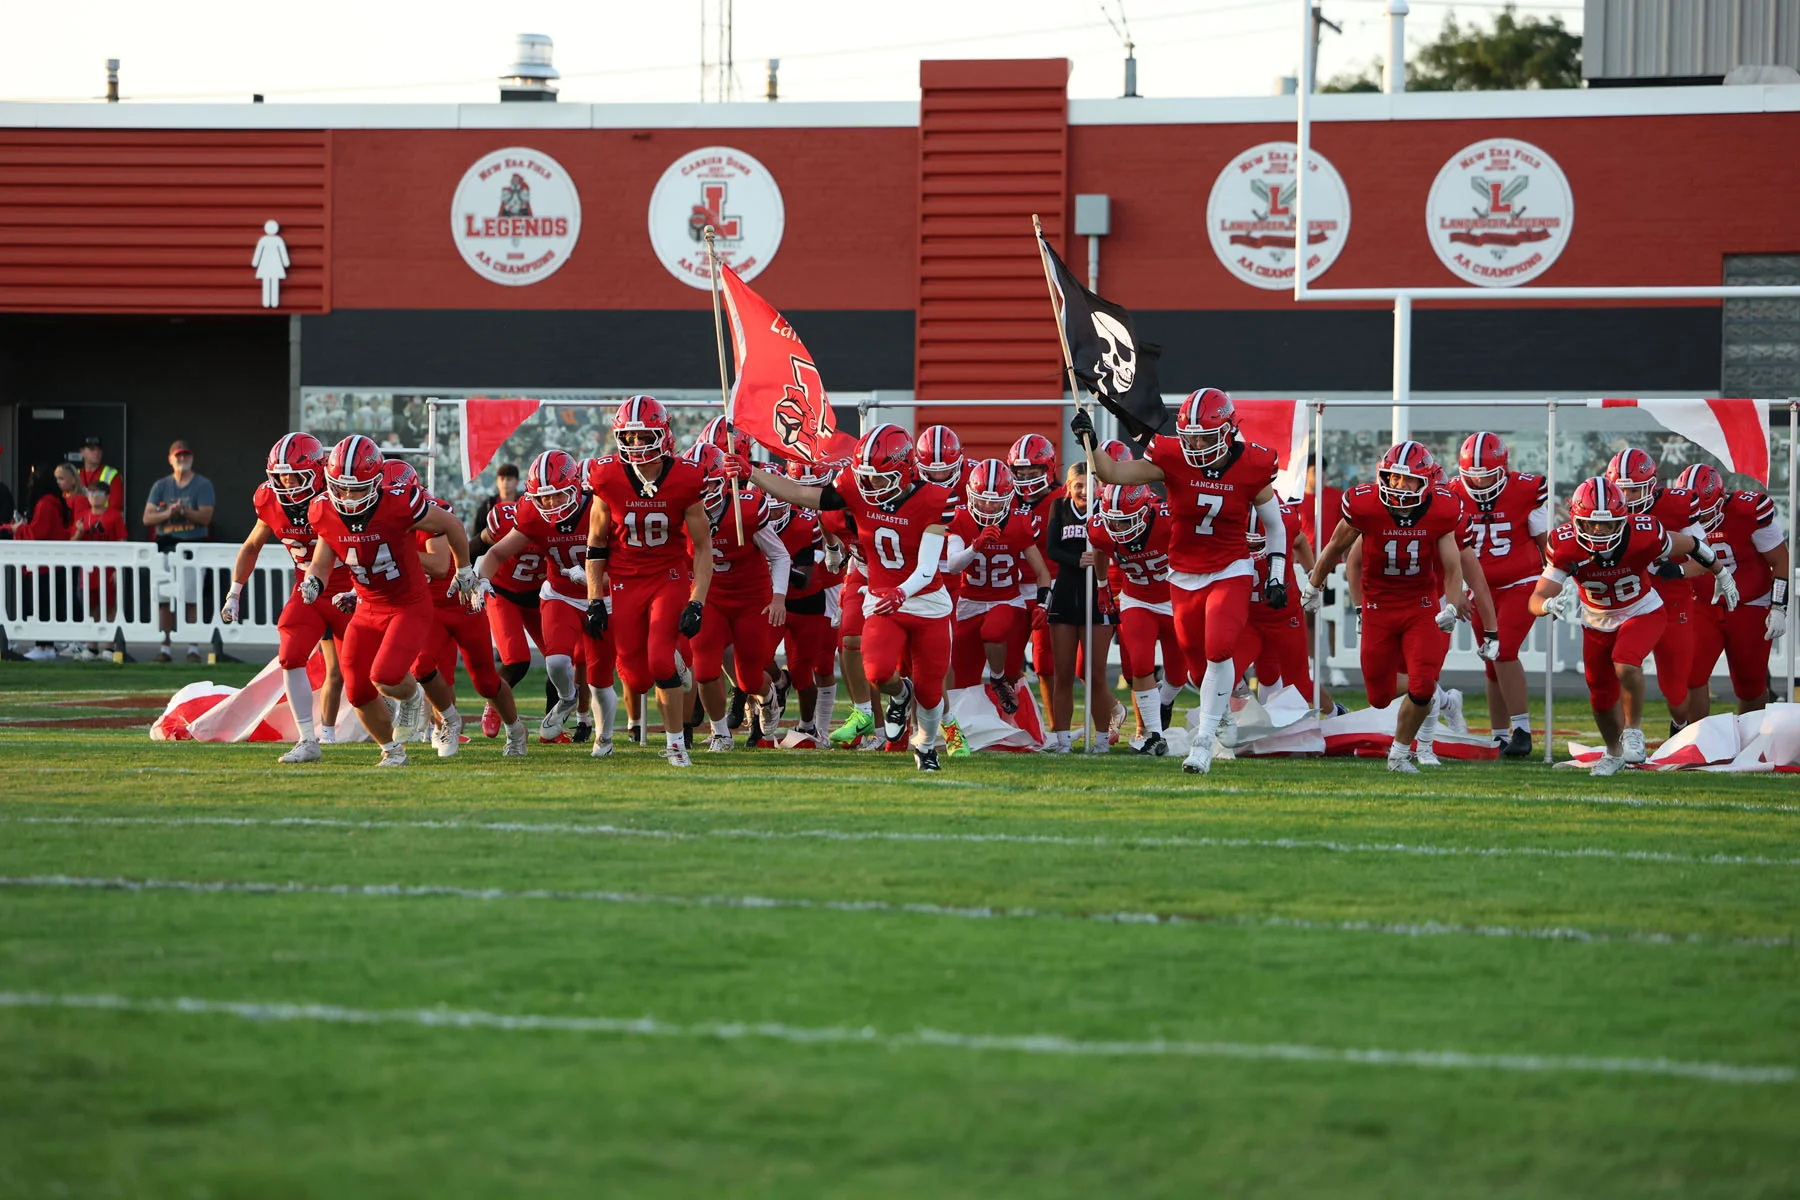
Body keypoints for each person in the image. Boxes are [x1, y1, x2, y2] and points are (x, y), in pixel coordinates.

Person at [1076, 388, 1288, 775]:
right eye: (1189, 437)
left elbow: (1274, 525)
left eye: (1205, 437)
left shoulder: (1253, 463)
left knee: (1220, 648)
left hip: (1230, 568)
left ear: (1227, 431)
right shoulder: (1172, 455)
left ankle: (1204, 741)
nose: (1196, 445)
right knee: (1194, 669)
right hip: (1183, 576)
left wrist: (1275, 573)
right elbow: (1112, 473)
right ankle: (1219, 716)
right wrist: (1090, 442)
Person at [728, 423, 957, 771]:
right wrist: (753, 473)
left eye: (876, 477)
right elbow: (806, 497)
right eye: (862, 476)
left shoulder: (933, 499)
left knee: (930, 689)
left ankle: (930, 744)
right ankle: (886, 703)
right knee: (876, 668)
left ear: (904, 471)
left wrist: (901, 591)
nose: (867, 485)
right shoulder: (853, 488)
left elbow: (927, 568)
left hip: (925, 599)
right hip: (878, 593)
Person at [1532, 476, 1738, 776]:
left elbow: (1693, 544)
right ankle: (1614, 753)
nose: (1600, 530)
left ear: (1624, 519)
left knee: (1626, 662)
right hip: (1596, 620)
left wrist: (1721, 573)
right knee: (1600, 697)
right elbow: (1537, 596)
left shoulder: (1644, 533)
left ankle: (1633, 730)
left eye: (1609, 524)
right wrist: (1546, 605)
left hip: (1642, 610)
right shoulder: (1563, 545)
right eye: (1592, 524)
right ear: (1577, 520)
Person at [1303, 441, 1485, 774]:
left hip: (1420, 605)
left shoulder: (1441, 509)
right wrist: (1314, 584)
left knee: (1422, 684)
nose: (1398, 486)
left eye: (1407, 479)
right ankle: (1435, 708)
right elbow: (1335, 548)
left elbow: (1452, 564)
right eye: (1392, 477)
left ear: (1426, 481)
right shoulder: (1366, 505)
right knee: (1379, 695)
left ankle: (1400, 754)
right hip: (1378, 607)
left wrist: (1450, 603)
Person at [303, 434, 483, 767]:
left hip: (407, 605)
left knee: (385, 675)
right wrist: (315, 578)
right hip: (367, 606)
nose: (346, 496)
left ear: (375, 483)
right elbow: (324, 552)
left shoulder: (400, 502)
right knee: (356, 690)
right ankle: (392, 751)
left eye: (356, 488)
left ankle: (415, 696)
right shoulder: (322, 508)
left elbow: (453, 526)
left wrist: (465, 569)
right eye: (340, 487)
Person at [582, 396, 714, 769]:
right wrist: (595, 599)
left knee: (659, 661)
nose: (637, 445)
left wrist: (697, 600)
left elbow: (703, 548)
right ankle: (674, 666)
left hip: (667, 577)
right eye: (630, 437)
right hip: (624, 581)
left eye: (645, 436)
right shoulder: (606, 476)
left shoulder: (686, 477)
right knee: (636, 678)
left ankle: (676, 745)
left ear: (663, 435)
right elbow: (595, 545)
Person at [221, 433, 352, 763]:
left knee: (370, 671)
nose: (286, 483)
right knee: (291, 654)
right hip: (308, 591)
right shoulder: (270, 500)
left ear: (316, 471)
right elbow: (252, 545)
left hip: (350, 589)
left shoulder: (337, 495)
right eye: (279, 476)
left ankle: (410, 718)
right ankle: (309, 739)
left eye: (293, 475)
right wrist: (235, 591)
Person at [481, 450, 615, 754]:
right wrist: (481, 578)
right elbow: (494, 553)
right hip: (559, 594)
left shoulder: (601, 506)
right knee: (554, 661)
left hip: (601, 599)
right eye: (544, 497)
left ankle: (604, 739)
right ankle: (566, 699)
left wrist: (595, 580)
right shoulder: (530, 511)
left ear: (576, 487)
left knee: (599, 680)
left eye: (558, 495)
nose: (550, 504)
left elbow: (627, 570)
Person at [684, 442, 791, 751]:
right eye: (698, 486)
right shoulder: (682, 513)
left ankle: (769, 699)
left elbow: (780, 556)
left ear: (725, 482)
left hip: (750, 598)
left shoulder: (745, 509)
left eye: (711, 484)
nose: (705, 492)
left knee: (747, 679)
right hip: (710, 595)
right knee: (704, 670)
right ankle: (721, 733)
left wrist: (779, 598)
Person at [412, 481, 529, 758]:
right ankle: (449, 722)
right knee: (422, 666)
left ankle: (515, 729)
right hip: (428, 608)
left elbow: (440, 566)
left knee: (486, 681)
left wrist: (396, 553)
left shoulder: (432, 513)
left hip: (461, 603)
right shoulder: (380, 524)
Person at [1455, 432, 1551, 757]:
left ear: (1504, 470)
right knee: (1490, 660)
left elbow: (1545, 542)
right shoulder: (1452, 493)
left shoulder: (1526, 489)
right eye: (1473, 477)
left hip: (1521, 582)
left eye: (1487, 477)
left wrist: (1555, 579)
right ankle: (1498, 735)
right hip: (1479, 589)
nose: (1480, 485)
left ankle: (1522, 730)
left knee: (1503, 650)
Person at [1604, 447, 1705, 740]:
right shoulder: (1603, 506)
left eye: (1634, 491)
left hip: (1671, 600)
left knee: (1674, 688)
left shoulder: (1678, 506)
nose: (1627, 498)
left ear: (1651, 486)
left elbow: (1706, 557)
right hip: (1626, 603)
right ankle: (1626, 736)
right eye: (1621, 491)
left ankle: (1680, 727)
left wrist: (1680, 570)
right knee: (1619, 669)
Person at [1676, 464, 1790, 720]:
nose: (1699, 521)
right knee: (1691, 675)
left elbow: (1780, 560)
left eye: (1703, 514)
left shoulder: (1748, 511)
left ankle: (1749, 744)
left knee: (1750, 684)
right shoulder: (1676, 514)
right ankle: (1699, 741)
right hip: (1703, 603)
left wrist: (1778, 607)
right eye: (1693, 515)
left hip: (1749, 603)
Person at [941, 458, 1052, 719]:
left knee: (995, 630)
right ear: (971, 494)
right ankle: (970, 728)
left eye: (995, 501)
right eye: (982, 500)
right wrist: (976, 545)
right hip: (970, 601)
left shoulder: (1018, 523)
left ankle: (998, 679)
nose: (988, 506)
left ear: (1008, 499)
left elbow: (1042, 572)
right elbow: (955, 565)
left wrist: (1043, 603)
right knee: (962, 675)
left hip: (1006, 598)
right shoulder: (960, 519)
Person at [1089, 482, 1185, 755]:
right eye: (1114, 521)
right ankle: (1154, 734)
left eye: (1127, 521)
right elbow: (1099, 550)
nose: (1120, 529)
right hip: (1137, 599)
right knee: (1140, 663)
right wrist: (1101, 587)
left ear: (1145, 512)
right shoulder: (1100, 529)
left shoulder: (1167, 521)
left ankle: (1165, 702)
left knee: (1178, 674)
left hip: (1173, 599)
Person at [1042, 462, 1118, 752]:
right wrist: (1077, 560)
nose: (1085, 491)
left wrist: (1097, 557)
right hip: (1065, 594)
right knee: (1063, 674)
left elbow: (1112, 547)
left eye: (1090, 485)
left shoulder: (1106, 509)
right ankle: (1062, 740)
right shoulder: (1059, 509)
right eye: (1079, 485)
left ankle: (1101, 740)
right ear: (1069, 487)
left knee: (1096, 674)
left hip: (1097, 595)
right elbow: (1051, 548)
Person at [474, 498, 546, 737]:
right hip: (503, 592)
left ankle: (552, 725)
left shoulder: (563, 521)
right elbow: (479, 544)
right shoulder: (506, 520)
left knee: (563, 663)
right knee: (517, 661)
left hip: (541, 595)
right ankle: (494, 703)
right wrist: (460, 569)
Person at [143, 439, 216, 662]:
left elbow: (206, 517)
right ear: (170, 459)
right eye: (178, 456)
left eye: (185, 456)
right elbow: (147, 518)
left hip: (192, 546)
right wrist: (168, 514)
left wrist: (184, 512)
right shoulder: (161, 486)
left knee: (191, 595)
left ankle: (192, 646)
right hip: (166, 543)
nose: (182, 460)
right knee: (165, 596)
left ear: (191, 458)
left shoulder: (202, 485)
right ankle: (165, 646)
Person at [9, 462, 75, 660]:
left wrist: (18, 530)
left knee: (42, 606)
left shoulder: (45, 504)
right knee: (44, 605)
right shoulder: (51, 502)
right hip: (48, 564)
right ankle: (44, 645)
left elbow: (38, 532)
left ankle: (44, 647)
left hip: (45, 566)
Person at [472, 463, 521, 547]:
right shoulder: (488, 505)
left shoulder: (523, 503)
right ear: (497, 482)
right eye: (502, 479)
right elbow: (478, 533)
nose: (505, 482)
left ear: (517, 482)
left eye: (509, 479)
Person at [77, 436, 123, 512]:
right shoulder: (76, 475)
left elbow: (115, 507)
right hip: (80, 521)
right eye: (92, 449)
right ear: (82, 452)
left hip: (102, 521)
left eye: (99, 449)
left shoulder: (112, 475)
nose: (97, 452)